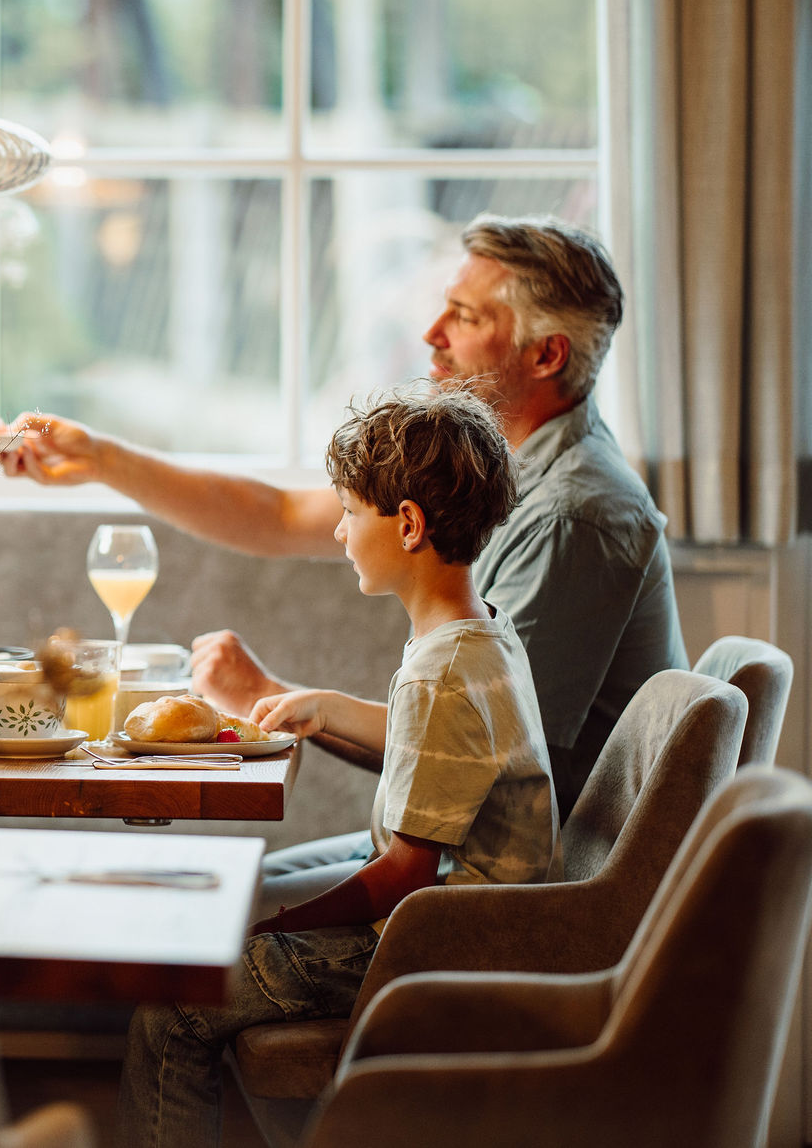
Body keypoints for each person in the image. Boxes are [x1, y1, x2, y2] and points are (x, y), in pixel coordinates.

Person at [2, 214, 682, 820]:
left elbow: (486, 765)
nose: (431, 334)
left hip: (519, 896)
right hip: (453, 855)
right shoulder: (484, 463)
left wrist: (272, 696)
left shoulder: (573, 515)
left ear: (546, 355)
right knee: (225, 900)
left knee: (233, 917)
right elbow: (281, 511)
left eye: (466, 317)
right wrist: (100, 459)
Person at [120, 386, 558, 1148]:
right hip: (474, 925)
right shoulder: (479, 634)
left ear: (409, 525)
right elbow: (442, 748)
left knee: (171, 1009)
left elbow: (405, 873)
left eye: (351, 512)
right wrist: (322, 703)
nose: (338, 528)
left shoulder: (438, 673)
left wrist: (276, 925)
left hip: (433, 942)